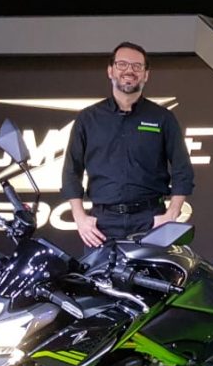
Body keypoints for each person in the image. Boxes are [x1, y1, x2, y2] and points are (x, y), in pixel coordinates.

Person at [62, 42, 194, 247]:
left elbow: (182, 169)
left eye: (137, 66)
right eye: (122, 64)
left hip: (151, 221)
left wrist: (171, 215)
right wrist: (80, 218)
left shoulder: (163, 118)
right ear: (110, 70)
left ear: (146, 75)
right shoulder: (88, 119)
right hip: (101, 225)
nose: (129, 71)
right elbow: (71, 171)